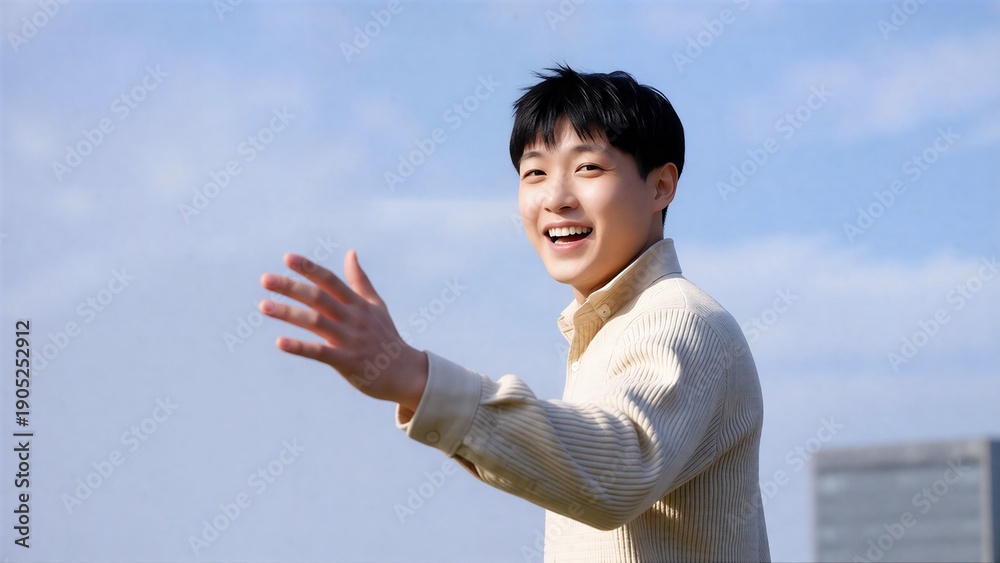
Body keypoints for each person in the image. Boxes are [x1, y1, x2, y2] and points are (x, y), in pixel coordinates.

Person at [258, 65, 770, 562]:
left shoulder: (681, 317)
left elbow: (617, 474)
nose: (556, 198)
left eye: (588, 168)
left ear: (661, 186)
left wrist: (419, 379)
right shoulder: (607, 331)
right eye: (535, 173)